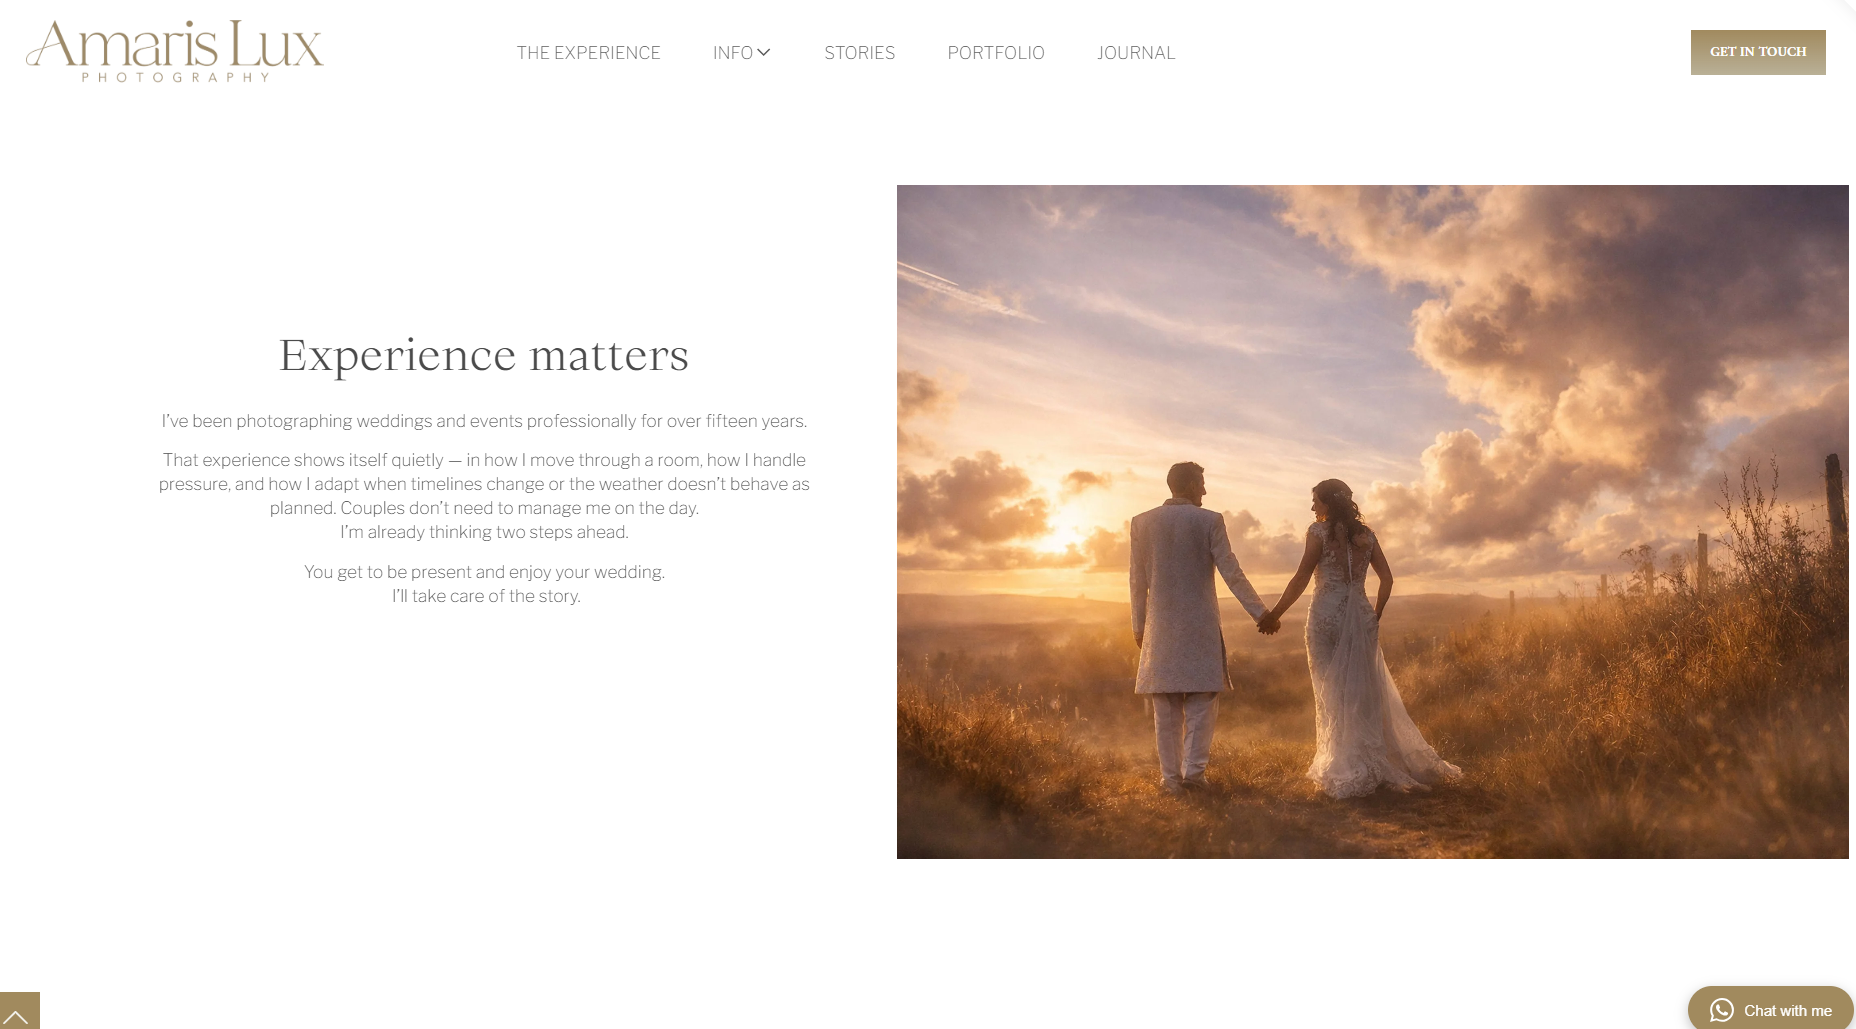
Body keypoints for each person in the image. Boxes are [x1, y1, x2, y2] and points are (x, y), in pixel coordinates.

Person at [1258, 478, 1461, 798]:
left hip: (1326, 617)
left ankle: (1343, 760)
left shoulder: (1318, 533)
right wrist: (1374, 615)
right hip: (1361, 617)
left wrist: (1275, 613)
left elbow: (1301, 578)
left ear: (1328, 502)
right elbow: (1387, 580)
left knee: (1330, 689)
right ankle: (1372, 757)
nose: (1312, 508)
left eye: (1316, 501)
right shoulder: (1367, 536)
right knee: (1363, 691)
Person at [1128, 462, 1276, 795]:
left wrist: (1139, 627)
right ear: (1191, 484)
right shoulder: (1210, 520)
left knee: (1165, 705)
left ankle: (1171, 781)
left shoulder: (1142, 522)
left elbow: (1137, 582)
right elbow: (1231, 572)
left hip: (1160, 625)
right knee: (1202, 700)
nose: (1205, 491)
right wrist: (1260, 613)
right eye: (1202, 484)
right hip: (1200, 624)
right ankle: (1193, 776)